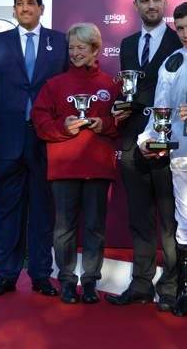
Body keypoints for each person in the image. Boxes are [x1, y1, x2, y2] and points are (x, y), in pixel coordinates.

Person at [0, 0, 69, 298]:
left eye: (31, 3)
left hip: (46, 141)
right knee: (6, 212)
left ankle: (42, 275)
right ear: (14, 9)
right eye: (19, 4)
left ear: (41, 8)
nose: (25, 8)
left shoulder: (61, 42)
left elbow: (68, 92)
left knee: (44, 211)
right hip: (6, 142)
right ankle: (6, 276)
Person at [105, 0, 182, 312]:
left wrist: (135, 103)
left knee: (169, 220)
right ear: (135, 5)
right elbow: (129, 90)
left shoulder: (180, 39)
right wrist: (119, 106)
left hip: (167, 140)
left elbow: (177, 91)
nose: (151, 5)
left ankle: (170, 287)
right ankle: (140, 285)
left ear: (164, 2)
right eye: (144, 0)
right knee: (139, 218)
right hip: (133, 141)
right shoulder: (127, 43)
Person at [137, 2, 187, 317]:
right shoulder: (171, 62)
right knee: (186, 225)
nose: (185, 33)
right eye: (180, 27)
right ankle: (184, 292)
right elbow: (160, 111)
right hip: (181, 154)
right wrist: (147, 139)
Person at [31, 23, 121, 304]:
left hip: (98, 168)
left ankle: (91, 281)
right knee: (65, 228)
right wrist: (63, 127)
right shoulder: (54, 85)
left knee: (95, 228)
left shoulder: (111, 85)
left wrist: (102, 123)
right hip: (65, 168)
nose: (75, 52)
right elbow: (39, 121)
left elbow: (122, 123)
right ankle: (67, 281)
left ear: (95, 49)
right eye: (71, 47)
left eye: (81, 47)